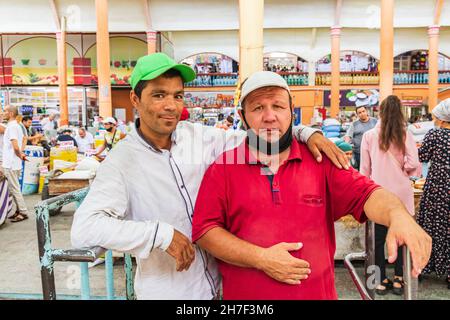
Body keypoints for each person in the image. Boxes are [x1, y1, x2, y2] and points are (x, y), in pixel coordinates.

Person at [71, 53, 349, 300]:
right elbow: (85, 230)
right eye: (159, 95)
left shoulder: (198, 137)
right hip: (171, 291)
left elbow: (258, 136)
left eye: (177, 95)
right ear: (135, 99)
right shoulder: (122, 161)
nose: (171, 105)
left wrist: (306, 132)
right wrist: (159, 234)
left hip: (220, 285)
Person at [191, 71, 431, 300]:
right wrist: (261, 258)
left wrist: (397, 214)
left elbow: (367, 194)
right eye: (257, 108)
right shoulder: (223, 167)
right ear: (243, 117)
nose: (269, 116)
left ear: (291, 112)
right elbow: (205, 230)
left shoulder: (321, 160)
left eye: (278, 106)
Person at [360, 95, 421, 296]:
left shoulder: (369, 135)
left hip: (378, 194)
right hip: (401, 194)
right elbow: (413, 164)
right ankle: (399, 279)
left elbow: (364, 170)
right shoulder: (405, 133)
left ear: (380, 111)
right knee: (402, 237)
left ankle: (378, 280)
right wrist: (404, 171)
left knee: (376, 240)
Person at [416, 98, 450, 289]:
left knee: (429, 225)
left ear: (443, 119)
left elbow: (422, 157)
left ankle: (423, 266)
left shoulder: (435, 134)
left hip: (437, 186)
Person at [2, 106, 29, 223]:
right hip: (14, 163)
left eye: (5, 111)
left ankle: (23, 212)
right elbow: (24, 138)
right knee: (14, 188)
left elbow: (15, 146)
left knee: (15, 189)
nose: (3, 113)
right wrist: (21, 155)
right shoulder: (16, 126)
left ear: (11, 113)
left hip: (11, 163)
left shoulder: (12, 127)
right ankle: (18, 210)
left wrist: (19, 154)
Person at [344, 105, 378, 170]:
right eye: (359, 113)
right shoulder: (354, 124)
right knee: (362, 170)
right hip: (359, 153)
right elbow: (348, 136)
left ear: (367, 111)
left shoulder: (375, 121)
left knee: (374, 169)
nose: (362, 114)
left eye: (363, 111)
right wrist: (346, 146)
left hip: (373, 151)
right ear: (357, 115)